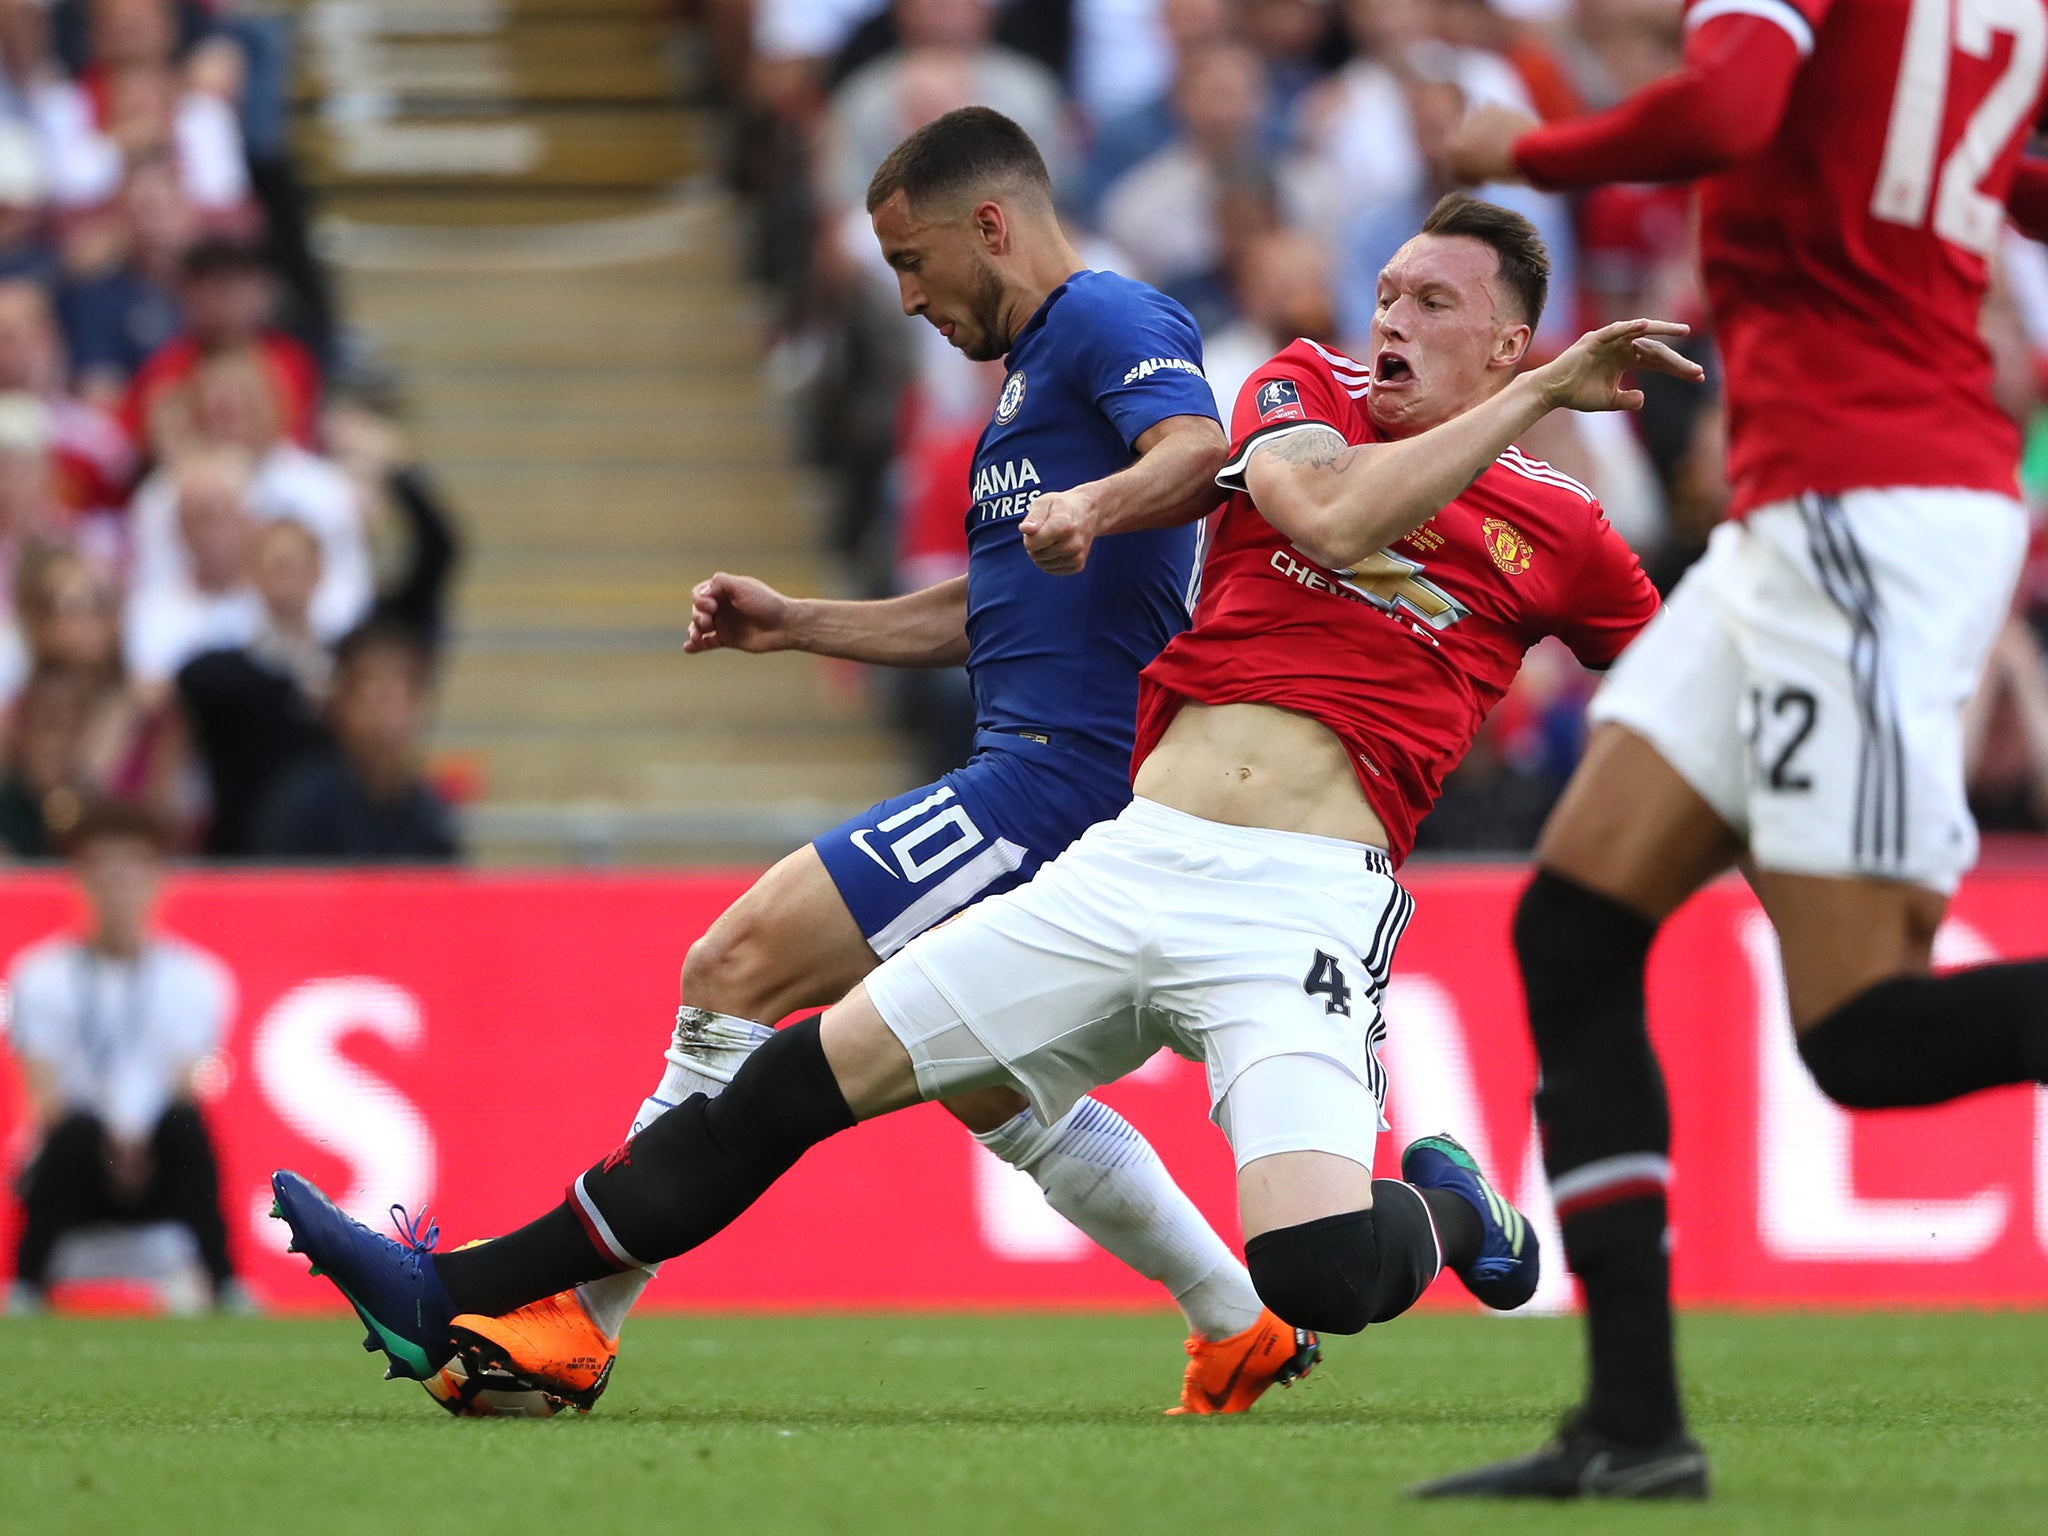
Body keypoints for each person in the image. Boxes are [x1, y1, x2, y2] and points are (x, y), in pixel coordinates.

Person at [268, 194, 1701, 1408]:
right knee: (795, 1077)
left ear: (1511, 338)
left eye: (1435, 303)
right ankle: (453, 1289)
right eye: (1387, 288)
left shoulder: (1568, 536)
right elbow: (1326, 517)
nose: (1391, 317)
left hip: (1303, 908)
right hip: (1139, 854)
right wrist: (1530, 399)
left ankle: (1446, 1206)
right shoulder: (1300, 392)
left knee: (1318, 1266)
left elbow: (1679, 695)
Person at [405, 105, 1312, 1423]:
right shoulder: (1033, 380)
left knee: (733, 968)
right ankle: (1238, 1326)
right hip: (1056, 772)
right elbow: (988, 613)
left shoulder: (1112, 323)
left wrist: (1096, 503)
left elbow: (1197, 453)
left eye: (912, 261)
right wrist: (798, 626)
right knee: (994, 1091)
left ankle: (573, 1324)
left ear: (990, 225)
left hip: (1059, 782)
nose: (905, 298)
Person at [1421, 0, 2048, 1499]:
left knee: (1863, 1034)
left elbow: (1732, 109)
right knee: (1571, 926)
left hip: (1862, 512)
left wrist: (1532, 143)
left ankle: (1633, 1424)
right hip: (1813, 512)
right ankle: (1633, 1428)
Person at [4, 799, 248, 1312]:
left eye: (131, 870)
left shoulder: (196, 979)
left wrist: (135, 1144)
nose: (118, 886)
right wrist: (111, 1141)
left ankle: (226, 1284)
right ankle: (26, 1285)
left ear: (157, 880)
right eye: (104, 870)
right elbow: (45, 1097)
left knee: (186, 1126)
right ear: (83, 880)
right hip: (79, 1161)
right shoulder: (40, 975)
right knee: (74, 1132)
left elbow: (186, 1085)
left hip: (152, 1161)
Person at [248, 616, 457, 863]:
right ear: (340, 701)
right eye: (374, 695)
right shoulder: (301, 805)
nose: (388, 715)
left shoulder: (428, 812)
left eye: (401, 695)